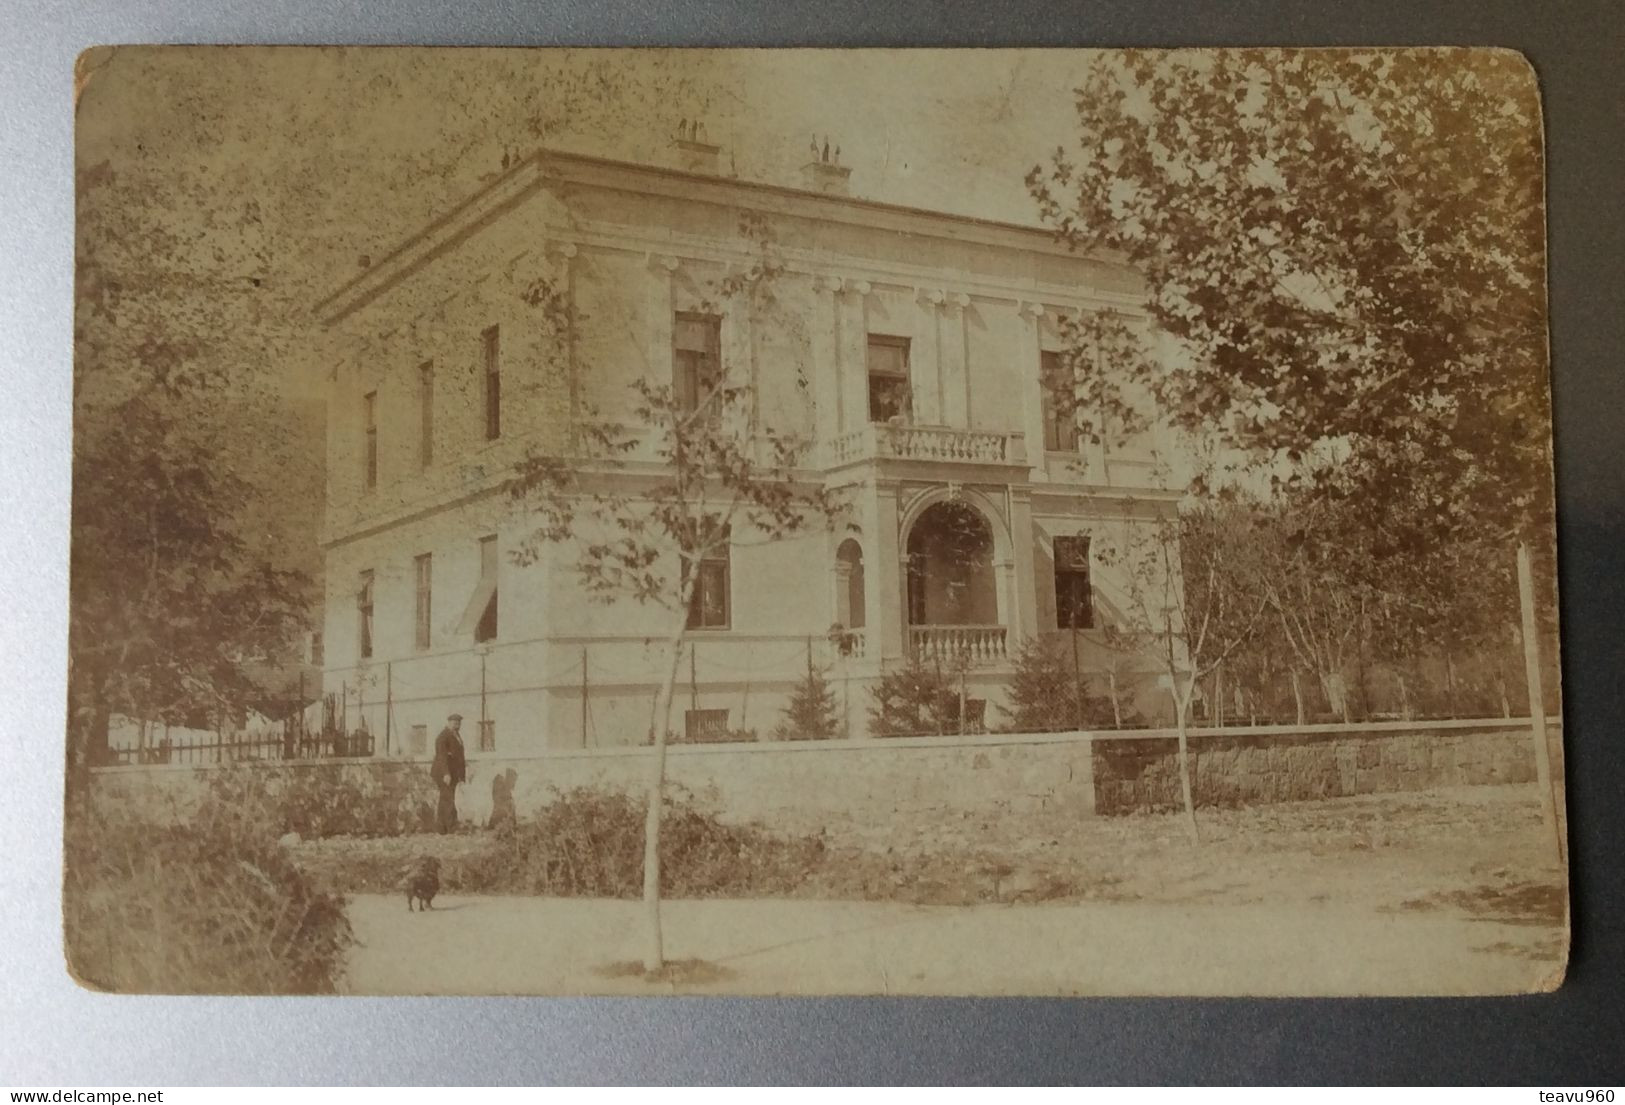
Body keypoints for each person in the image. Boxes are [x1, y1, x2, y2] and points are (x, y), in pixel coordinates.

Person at [431, 713, 467, 834]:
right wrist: (446, 773)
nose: (457, 725)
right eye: (455, 723)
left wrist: (462, 775)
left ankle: (441, 828)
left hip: (453, 773)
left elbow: (459, 757)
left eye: (459, 723)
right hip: (444, 773)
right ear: (449, 722)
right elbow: (442, 756)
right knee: (448, 799)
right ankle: (452, 827)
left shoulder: (456, 736)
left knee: (445, 798)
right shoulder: (443, 736)